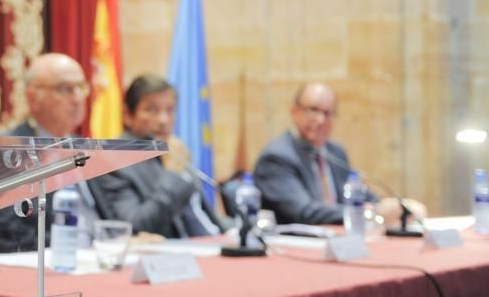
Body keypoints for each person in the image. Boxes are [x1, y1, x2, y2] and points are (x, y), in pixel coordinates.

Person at [0, 53, 113, 254]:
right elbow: (5, 232)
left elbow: (110, 214)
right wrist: (73, 248)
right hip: (51, 262)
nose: (77, 98)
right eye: (65, 89)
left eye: (81, 87)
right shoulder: (6, 152)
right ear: (33, 98)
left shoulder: (87, 148)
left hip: (105, 256)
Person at [253, 82, 425, 226]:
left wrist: (396, 207)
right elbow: (304, 212)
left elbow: (356, 193)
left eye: (327, 113)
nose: (320, 120)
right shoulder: (277, 157)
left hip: (339, 241)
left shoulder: (335, 152)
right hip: (296, 249)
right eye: (313, 110)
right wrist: (371, 213)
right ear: (294, 112)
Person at [96, 74, 230, 238]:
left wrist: (233, 230)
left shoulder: (173, 151)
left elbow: (203, 216)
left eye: (170, 110)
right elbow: (133, 226)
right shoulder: (114, 160)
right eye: (151, 110)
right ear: (127, 115)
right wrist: (172, 176)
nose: (163, 120)